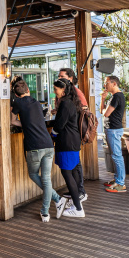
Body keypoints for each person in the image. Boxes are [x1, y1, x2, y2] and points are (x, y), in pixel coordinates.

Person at [10, 79, 67, 221]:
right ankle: (46, 211)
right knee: (46, 180)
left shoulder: (17, 103)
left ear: (16, 95)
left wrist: (24, 124)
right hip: (48, 144)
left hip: (34, 147)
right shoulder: (36, 102)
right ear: (28, 90)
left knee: (33, 174)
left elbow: (12, 121)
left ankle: (57, 199)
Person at [51, 78, 85, 217]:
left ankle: (78, 209)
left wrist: (52, 134)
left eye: (56, 89)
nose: (54, 92)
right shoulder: (73, 102)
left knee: (67, 174)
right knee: (74, 173)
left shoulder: (65, 104)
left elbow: (59, 125)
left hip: (66, 142)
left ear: (63, 89)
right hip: (73, 141)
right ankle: (77, 204)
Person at [56, 68, 88, 203]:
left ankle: (80, 192)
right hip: (72, 134)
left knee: (74, 167)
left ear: (70, 78)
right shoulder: (66, 98)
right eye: (59, 76)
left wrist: (69, 116)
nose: (59, 78)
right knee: (73, 166)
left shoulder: (74, 93)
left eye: (62, 76)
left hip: (70, 134)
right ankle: (76, 192)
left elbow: (85, 108)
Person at [102, 75, 127, 193]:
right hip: (111, 129)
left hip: (114, 130)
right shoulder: (113, 97)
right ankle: (117, 179)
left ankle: (121, 184)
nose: (105, 85)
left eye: (106, 83)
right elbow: (104, 111)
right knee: (115, 155)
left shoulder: (117, 96)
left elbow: (106, 114)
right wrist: (103, 99)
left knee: (117, 156)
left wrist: (104, 112)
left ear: (114, 84)